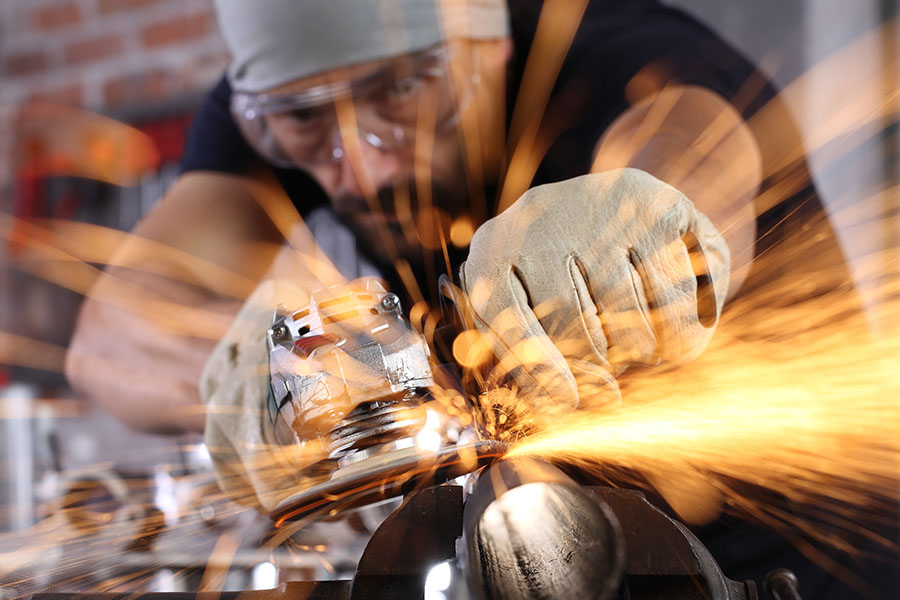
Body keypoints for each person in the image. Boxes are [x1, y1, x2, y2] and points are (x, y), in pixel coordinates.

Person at [65, 0, 892, 597]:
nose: (367, 162)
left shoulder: (617, 50)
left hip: (809, 559)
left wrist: (643, 212)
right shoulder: (298, 83)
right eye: (304, 122)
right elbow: (107, 342)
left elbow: (693, 151)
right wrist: (234, 357)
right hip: (555, 554)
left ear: (484, 46)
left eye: (400, 91)